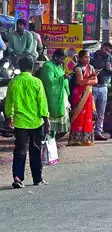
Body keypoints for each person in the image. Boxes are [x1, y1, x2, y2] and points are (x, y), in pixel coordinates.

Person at [5, 56, 50, 188]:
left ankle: (18, 177)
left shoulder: (13, 82)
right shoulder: (37, 82)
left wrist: (10, 117)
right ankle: (37, 178)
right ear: (32, 67)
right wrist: (46, 120)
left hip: (20, 123)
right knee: (36, 150)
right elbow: (42, 103)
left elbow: (9, 102)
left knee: (20, 150)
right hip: (36, 122)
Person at [39, 49, 70, 142]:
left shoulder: (59, 66)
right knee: (51, 120)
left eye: (64, 59)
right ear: (55, 56)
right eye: (62, 58)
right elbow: (49, 82)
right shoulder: (48, 66)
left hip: (61, 96)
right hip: (52, 97)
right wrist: (62, 78)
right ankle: (48, 141)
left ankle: (52, 141)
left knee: (57, 122)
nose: (63, 61)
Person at [68, 50, 98, 146]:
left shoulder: (91, 67)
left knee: (88, 116)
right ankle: (76, 139)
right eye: (85, 57)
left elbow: (96, 81)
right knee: (78, 116)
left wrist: (87, 80)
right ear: (80, 58)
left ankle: (86, 139)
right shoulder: (78, 68)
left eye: (89, 57)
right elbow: (79, 82)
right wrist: (90, 78)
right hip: (79, 95)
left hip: (88, 94)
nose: (88, 59)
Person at [90, 42, 112, 141]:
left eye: (109, 51)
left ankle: (98, 132)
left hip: (103, 87)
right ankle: (89, 131)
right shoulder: (92, 56)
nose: (107, 53)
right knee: (92, 111)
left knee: (101, 112)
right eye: (106, 50)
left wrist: (110, 69)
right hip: (92, 86)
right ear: (101, 47)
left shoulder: (109, 58)